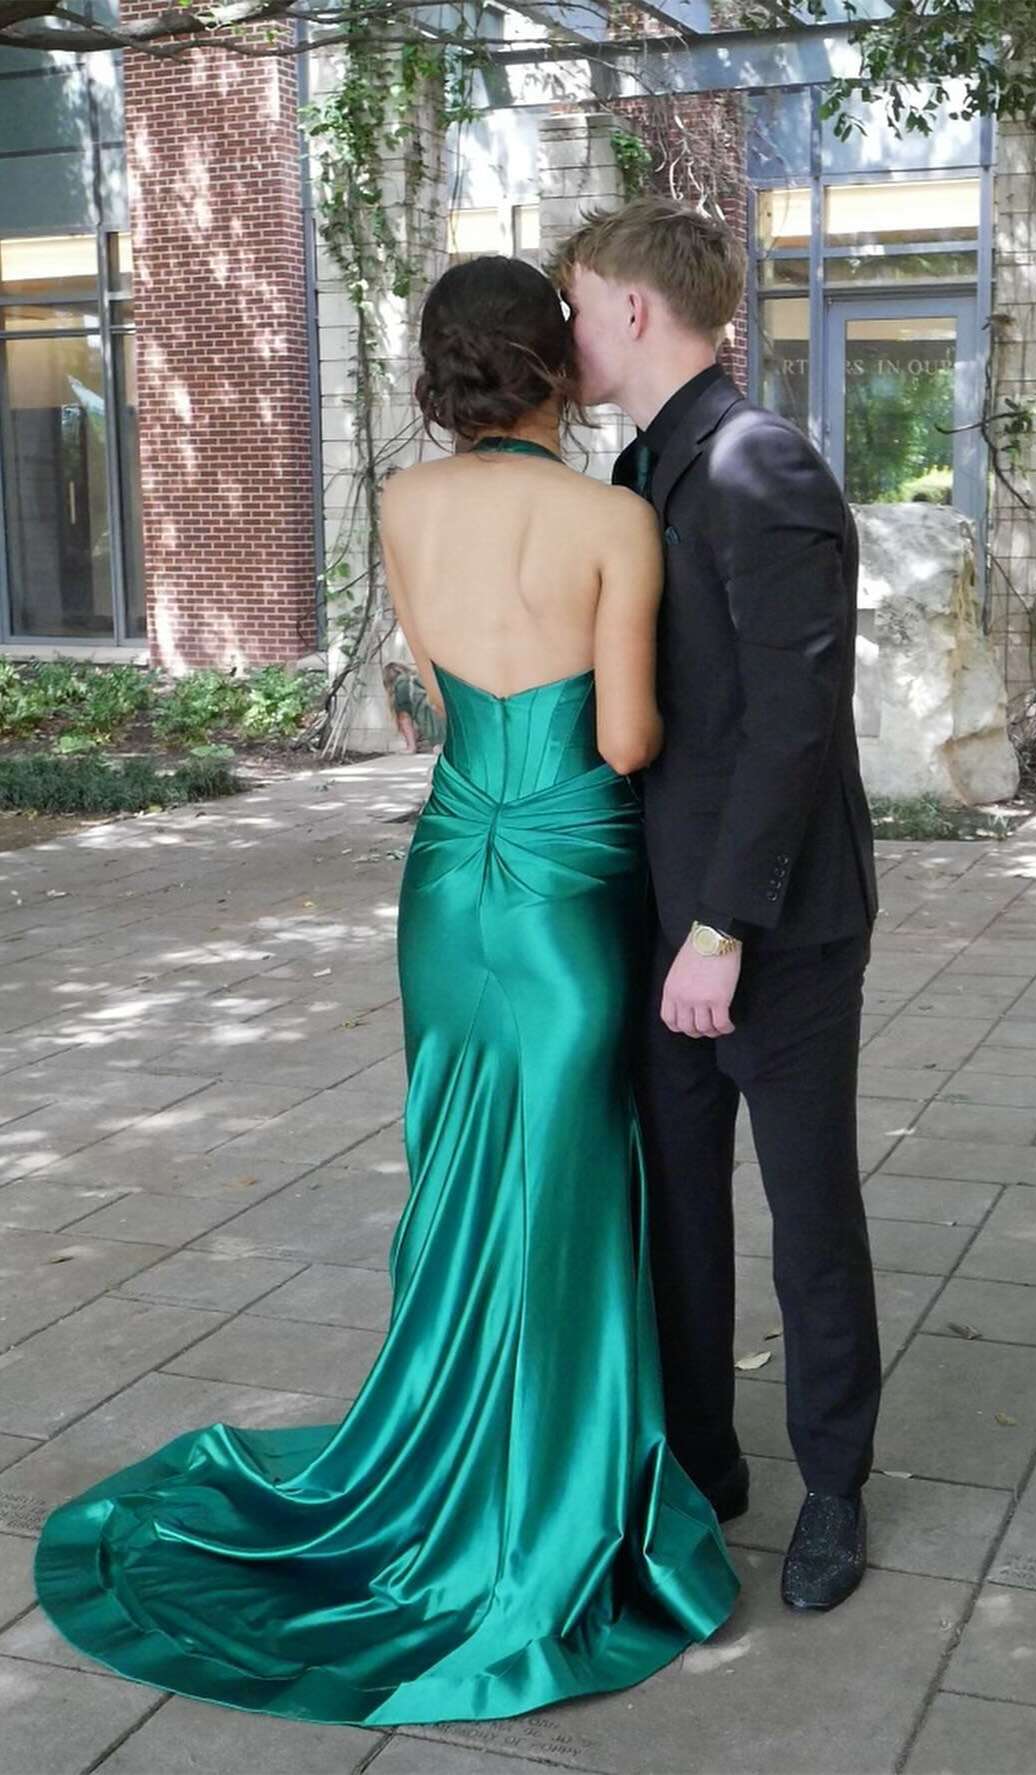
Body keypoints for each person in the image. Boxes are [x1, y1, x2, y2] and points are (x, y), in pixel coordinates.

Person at [33, 255, 737, 1727]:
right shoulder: (611, 517)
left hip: (445, 880)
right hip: (561, 887)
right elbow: (621, 741)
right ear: (553, 363)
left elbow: (430, 690)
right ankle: (540, 1493)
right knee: (556, 1182)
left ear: (436, 374)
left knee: (456, 1167)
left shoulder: (404, 507)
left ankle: (446, 1445)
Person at [554, 197, 880, 1614]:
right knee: (676, 1207)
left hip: (773, 927)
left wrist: (719, 928)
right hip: (667, 917)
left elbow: (793, 724)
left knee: (807, 1219)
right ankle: (701, 1464)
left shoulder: (760, 465)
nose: (566, 330)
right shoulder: (646, 462)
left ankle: (834, 1489)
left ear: (632, 307)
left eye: (574, 303)